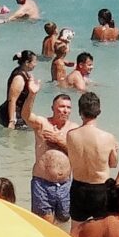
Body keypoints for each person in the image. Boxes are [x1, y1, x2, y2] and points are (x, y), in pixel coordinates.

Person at [65, 91, 119, 222]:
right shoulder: (108, 137)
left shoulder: (71, 135)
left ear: (80, 112)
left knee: (76, 230)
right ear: (98, 111)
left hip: (78, 186)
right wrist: (115, 151)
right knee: (101, 231)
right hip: (100, 188)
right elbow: (113, 164)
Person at [28, 93, 76, 222]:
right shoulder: (43, 124)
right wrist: (32, 94)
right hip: (42, 182)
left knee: (64, 222)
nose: (65, 110)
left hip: (65, 184)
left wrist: (59, 141)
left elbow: (79, 156)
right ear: (53, 108)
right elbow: (25, 115)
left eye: (68, 107)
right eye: (62, 106)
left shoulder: (74, 129)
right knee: (44, 223)